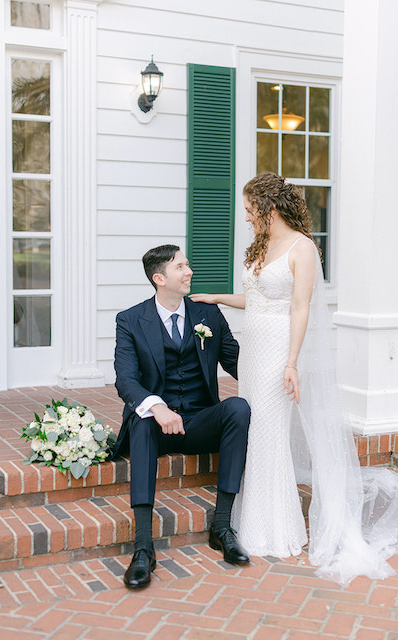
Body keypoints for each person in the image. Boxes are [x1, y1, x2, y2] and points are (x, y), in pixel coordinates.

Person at [191, 171, 398, 586]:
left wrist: (291, 362)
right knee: (256, 429)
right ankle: (251, 518)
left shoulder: (303, 247)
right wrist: (218, 297)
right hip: (253, 347)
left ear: (269, 208)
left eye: (252, 210)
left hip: (278, 351)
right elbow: (256, 298)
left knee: (271, 431)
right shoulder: (261, 243)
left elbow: (299, 308)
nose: (248, 217)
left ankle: (276, 528)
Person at [112, 244, 251, 589]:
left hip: (200, 420)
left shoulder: (209, 316)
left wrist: (285, 368)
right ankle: (143, 546)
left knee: (238, 408)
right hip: (157, 428)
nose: (189, 272)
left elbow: (239, 365)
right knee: (141, 418)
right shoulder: (130, 320)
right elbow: (125, 379)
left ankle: (222, 527)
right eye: (181, 267)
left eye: (187, 265)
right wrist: (157, 406)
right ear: (160, 278)